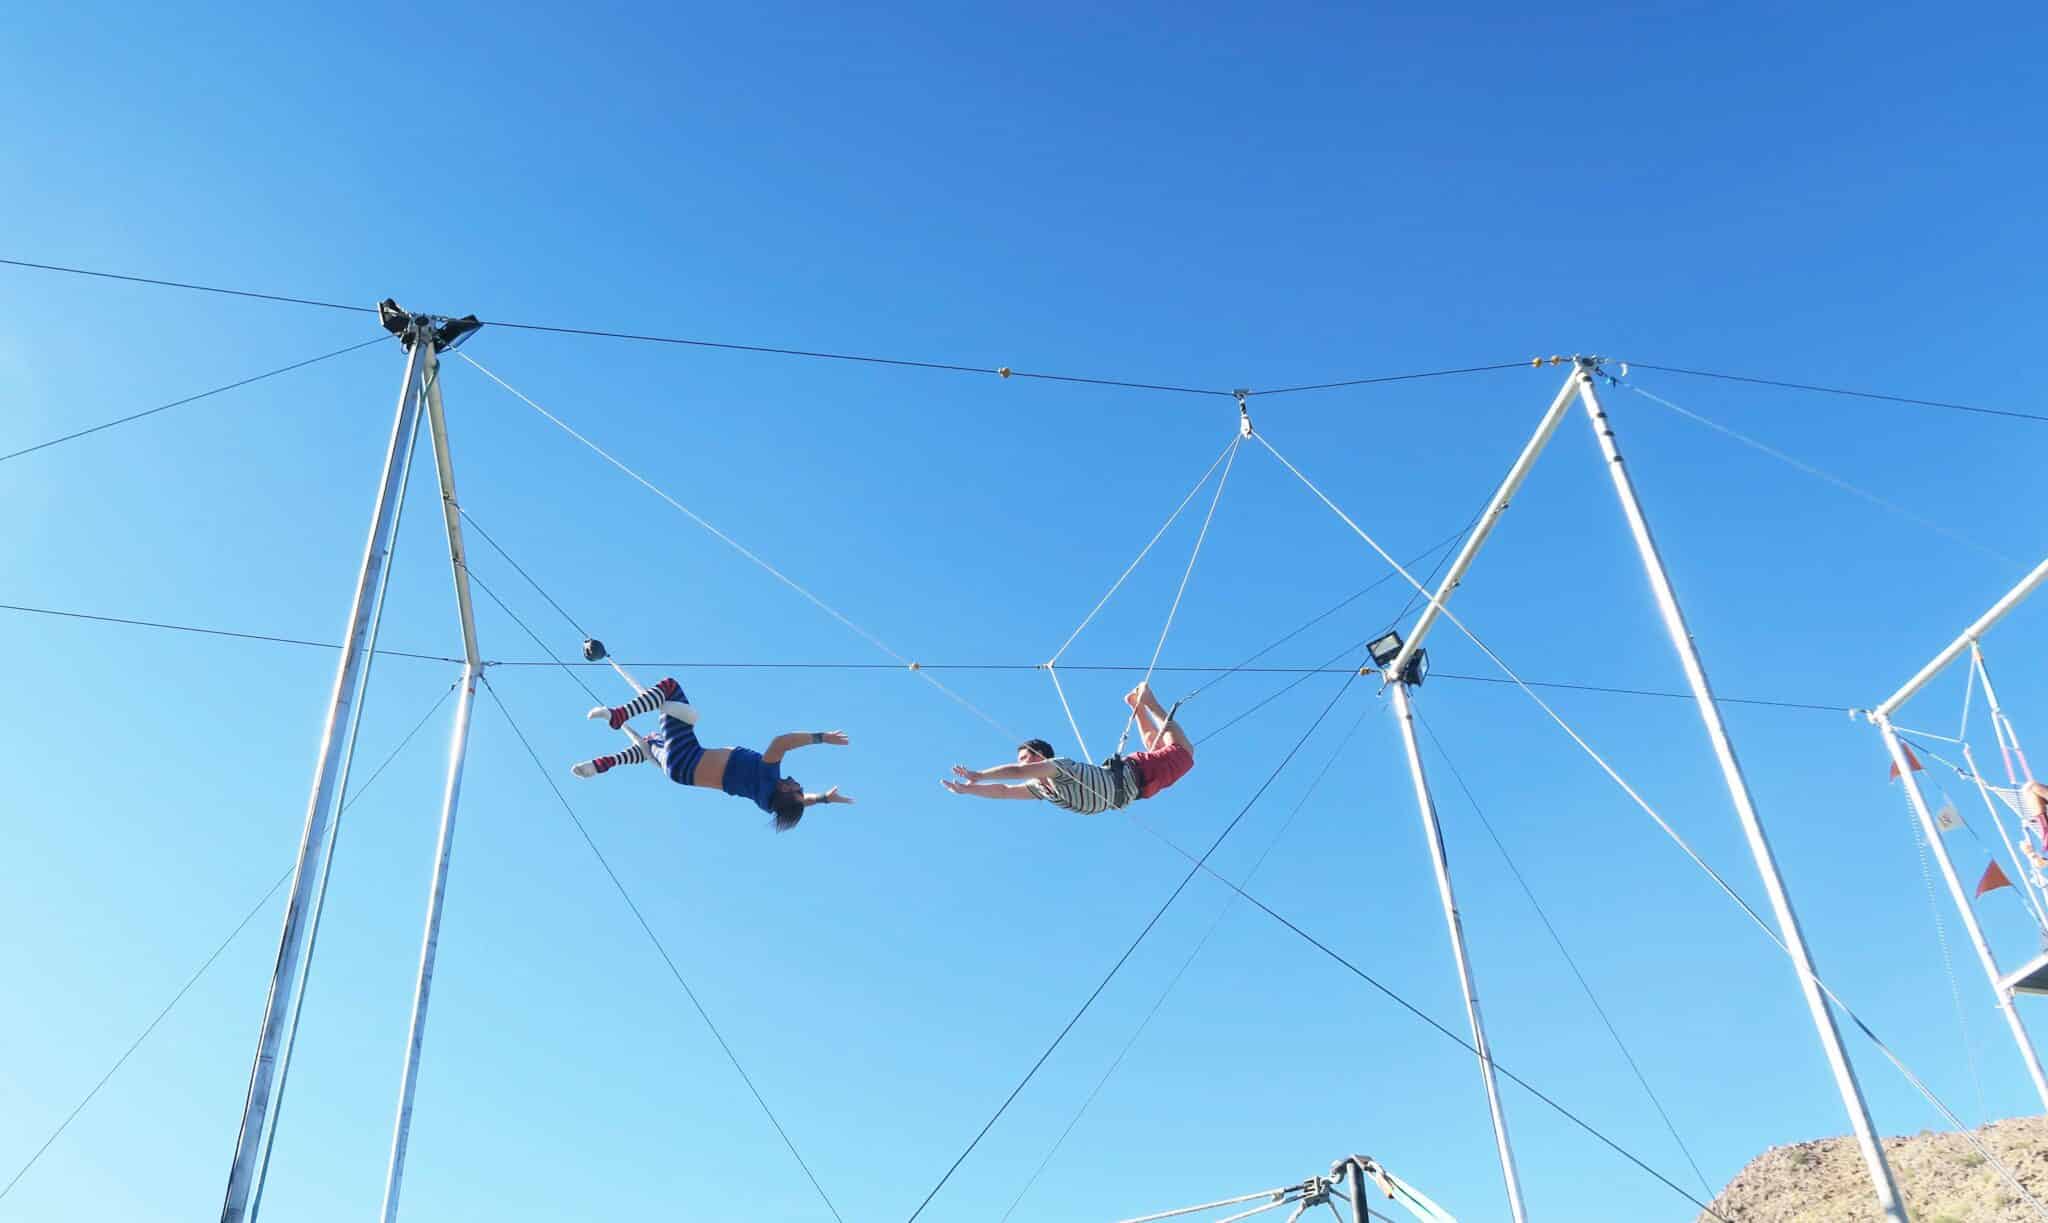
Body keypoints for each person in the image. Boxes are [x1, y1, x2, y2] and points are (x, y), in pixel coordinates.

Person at [571, 676, 853, 831]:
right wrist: (825, 798)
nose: (798, 784)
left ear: (785, 791)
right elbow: (798, 803)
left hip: (687, 756)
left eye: (796, 788)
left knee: (670, 689)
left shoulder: (768, 774)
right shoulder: (768, 802)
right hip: (678, 772)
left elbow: (782, 741)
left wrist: (822, 737)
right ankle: (603, 764)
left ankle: (620, 715)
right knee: (649, 743)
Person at [943, 682, 1195, 813]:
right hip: (1137, 784)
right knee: (1160, 749)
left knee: (1183, 753)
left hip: (1138, 775)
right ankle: (1139, 705)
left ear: (1041, 757)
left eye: (1025, 757)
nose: (1022, 764)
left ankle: (1148, 703)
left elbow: (1015, 774)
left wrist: (979, 775)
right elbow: (1004, 791)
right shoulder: (1043, 789)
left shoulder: (1058, 768)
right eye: (1020, 758)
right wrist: (969, 790)